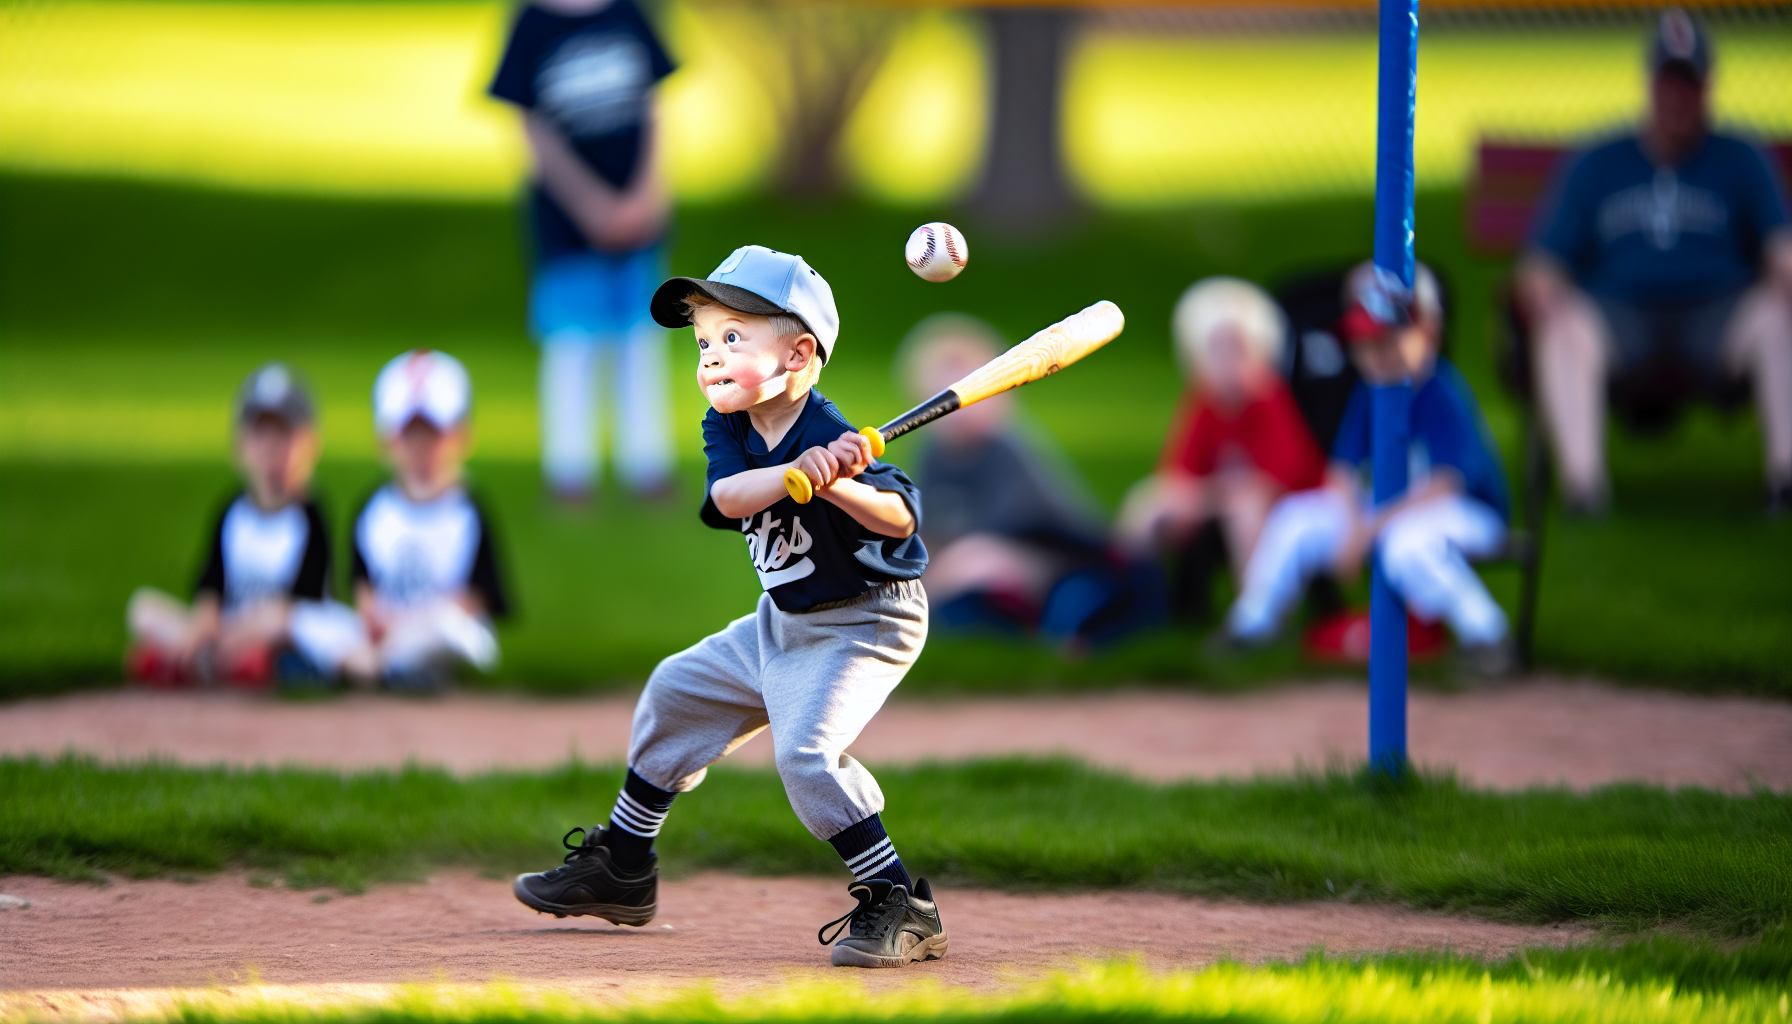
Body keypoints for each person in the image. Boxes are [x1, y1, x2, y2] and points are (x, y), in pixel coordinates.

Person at [510, 246, 945, 969]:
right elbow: (726, 497)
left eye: (734, 339)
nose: (710, 357)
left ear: (799, 353)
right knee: (675, 690)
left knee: (806, 755)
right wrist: (792, 476)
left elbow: (900, 518)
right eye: (704, 341)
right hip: (786, 621)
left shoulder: (830, 433)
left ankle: (903, 902)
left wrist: (838, 480)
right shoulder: (733, 428)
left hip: (867, 621)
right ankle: (623, 863)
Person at [1518, 7, 1792, 514]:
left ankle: (1785, 481)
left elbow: (1781, 247)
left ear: (1708, 87)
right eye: (1669, 82)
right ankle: (1584, 491)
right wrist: (1543, 291)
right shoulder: (1599, 160)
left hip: (1719, 313)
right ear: (1650, 83)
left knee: (1780, 317)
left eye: (1689, 84)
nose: (1678, 98)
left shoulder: (1741, 157)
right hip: (1620, 313)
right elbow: (1544, 259)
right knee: (1562, 324)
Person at [1223, 263, 1517, 676]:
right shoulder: (1370, 392)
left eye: (1385, 342)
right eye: (1362, 345)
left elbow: (1446, 484)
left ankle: (1487, 634)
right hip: (1387, 511)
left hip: (1465, 512)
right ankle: (1252, 624)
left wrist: (1368, 530)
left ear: (1429, 332)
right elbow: (1341, 472)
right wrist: (1350, 525)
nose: (1371, 356)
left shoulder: (1439, 390)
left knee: (1406, 544)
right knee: (1295, 519)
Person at [489, 0, 676, 502]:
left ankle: (649, 465)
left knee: (642, 341)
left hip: (639, 219)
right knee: (572, 348)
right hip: (566, 229)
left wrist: (647, 192)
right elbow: (533, 131)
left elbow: (655, 108)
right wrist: (590, 205)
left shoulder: (632, 12)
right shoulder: (531, 23)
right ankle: (570, 473)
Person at [901, 314, 1156, 648]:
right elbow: (929, 529)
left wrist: (935, 582)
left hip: (1064, 563)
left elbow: (995, 539)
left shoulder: (1005, 449)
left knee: (975, 564)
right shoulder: (934, 453)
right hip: (997, 566)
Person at [1117, 278, 1326, 620]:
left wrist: (1212, 493)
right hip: (1224, 500)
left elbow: (1280, 478)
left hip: (1285, 508)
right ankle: (1130, 600)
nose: (1227, 363)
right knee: (1148, 502)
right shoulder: (1204, 401)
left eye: (1237, 349)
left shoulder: (1268, 398)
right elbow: (1179, 472)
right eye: (1216, 350)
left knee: (1245, 508)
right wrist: (1190, 498)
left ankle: (1257, 615)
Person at [126, 364, 334, 687]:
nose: (270, 445)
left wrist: (235, 635)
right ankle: (207, 659)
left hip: (274, 630)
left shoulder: (310, 514)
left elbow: (301, 600)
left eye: (283, 433)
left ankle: (203, 663)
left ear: (308, 442)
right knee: (143, 608)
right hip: (228, 628)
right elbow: (211, 587)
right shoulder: (232, 511)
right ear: (240, 443)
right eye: (260, 433)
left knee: (286, 622)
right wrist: (203, 628)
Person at [327, 350, 510, 688]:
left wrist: (411, 623)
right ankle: (391, 667)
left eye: (432, 435)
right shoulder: (373, 511)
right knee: (318, 621)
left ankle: (382, 666)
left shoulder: (468, 511)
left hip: (439, 627)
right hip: (386, 626)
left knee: (445, 627)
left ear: (460, 435)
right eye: (409, 436)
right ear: (387, 439)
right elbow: (362, 585)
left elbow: (477, 597)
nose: (421, 448)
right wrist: (376, 618)